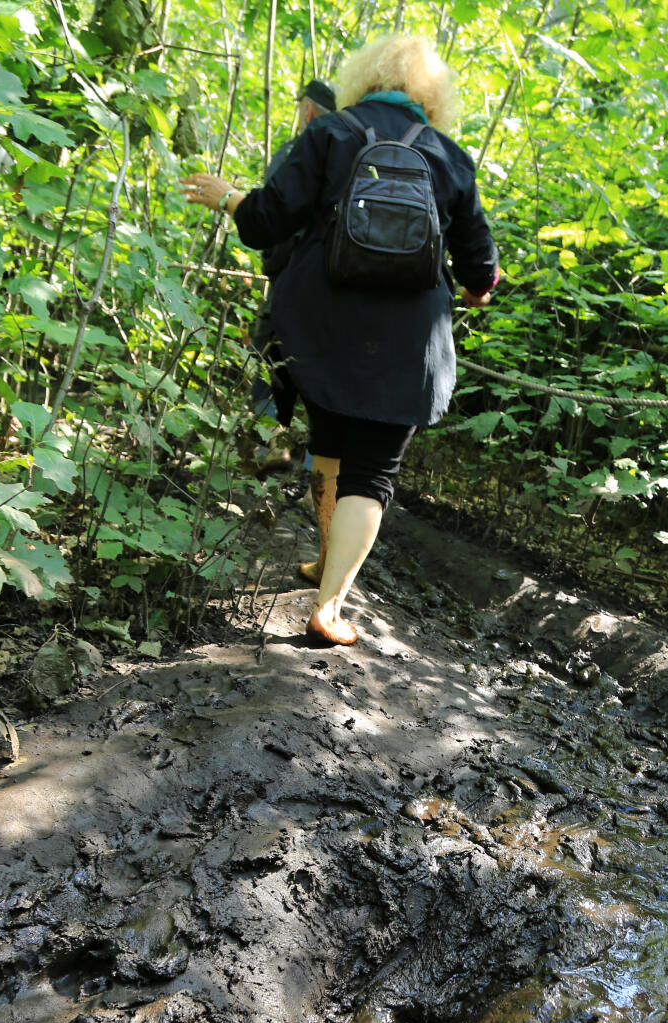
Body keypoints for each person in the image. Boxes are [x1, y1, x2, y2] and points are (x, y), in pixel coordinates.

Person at [182, 33, 498, 645]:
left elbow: (265, 220)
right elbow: (480, 273)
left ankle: (326, 560)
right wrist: (477, 286)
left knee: (327, 436)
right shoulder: (449, 157)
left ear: (364, 78)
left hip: (320, 324)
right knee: (372, 472)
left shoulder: (332, 133)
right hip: (409, 338)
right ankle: (330, 605)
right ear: (431, 94)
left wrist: (229, 199)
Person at [248, 77, 336, 473]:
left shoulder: (296, 151)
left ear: (309, 109)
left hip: (291, 282)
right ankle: (318, 472)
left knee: (268, 360)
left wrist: (274, 264)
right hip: (341, 287)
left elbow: (272, 217)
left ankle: (275, 443)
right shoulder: (359, 150)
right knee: (326, 377)